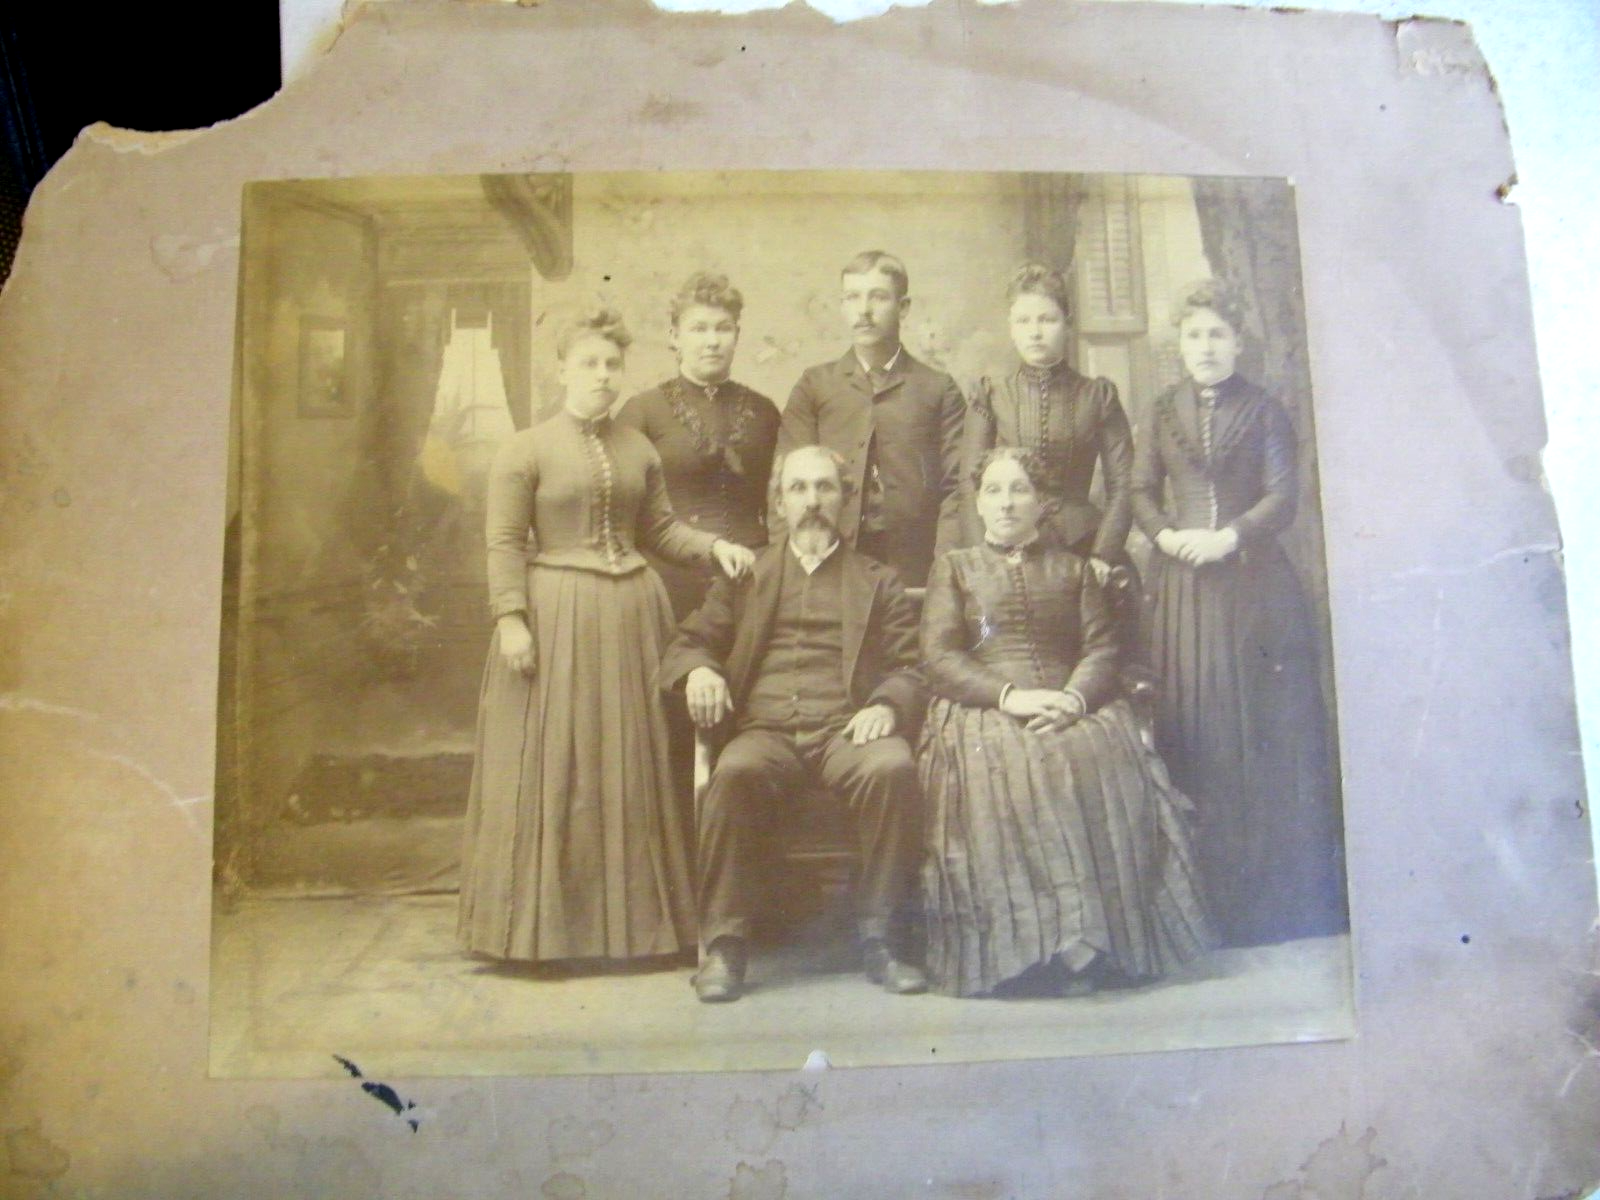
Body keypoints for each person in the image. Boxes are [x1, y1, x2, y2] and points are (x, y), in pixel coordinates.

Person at [456, 306, 755, 966]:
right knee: (559, 767)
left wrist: (717, 547)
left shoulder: (638, 448)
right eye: (587, 362)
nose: (601, 374)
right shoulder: (525, 448)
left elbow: (662, 533)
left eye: (611, 364)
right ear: (561, 369)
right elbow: (504, 541)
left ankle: (637, 931)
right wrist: (511, 619)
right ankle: (541, 936)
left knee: (628, 767)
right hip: (557, 616)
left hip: (631, 620)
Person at [919, 448, 1216, 998]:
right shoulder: (955, 568)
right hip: (986, 707)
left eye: (1019, 490)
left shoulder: (1074, 569)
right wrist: (1010, 697)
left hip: (1073, 700)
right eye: (993, 491)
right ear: (978, 503)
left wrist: (1075, 699)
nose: (1006, 503)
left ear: (1043, 502)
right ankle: (1036, 948)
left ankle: (1095, 944)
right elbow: (939, 657)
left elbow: (1101, 649)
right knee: (1011, 762)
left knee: (1099, 754)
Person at [660, 445, 928, 1002]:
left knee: (892, 768)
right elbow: (689, 644)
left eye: (825, 488)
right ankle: (727, 948)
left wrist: (886, 705)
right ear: (779, 503)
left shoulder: (878, 581)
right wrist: (699, 675)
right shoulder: (746, 575)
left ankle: (883, 940)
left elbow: (911, 667)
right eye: (799, 489)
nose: (812, 501)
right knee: (731, 774)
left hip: (845, 730)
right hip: (767, 731)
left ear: (846, 499)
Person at [1130, 280, 1346, 947]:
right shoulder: (1161, 409)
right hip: (1182, 594)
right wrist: (1168, 537)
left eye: (1217, 334)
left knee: (1257, 734)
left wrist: (1227, 538)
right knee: (1194, 726)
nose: (1205, 346)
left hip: (1253, 591)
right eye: (1194, 334)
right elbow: (1138, 489)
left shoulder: (1266, 411)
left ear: (1238, 342)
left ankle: (1270, 905)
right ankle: (1202, 909)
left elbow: (1284, 497)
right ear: (1179, 343)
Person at [770, 250, 965, 587]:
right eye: (853, 297)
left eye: (878, 297)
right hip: (829, 563)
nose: (864, 310)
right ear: (843, 306)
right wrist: (792, 563)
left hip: (914, 569)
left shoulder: (937, 388)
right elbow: (785, 480)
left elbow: (957, 487)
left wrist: (944, 566)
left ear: (903, 307)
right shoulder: (815, 385)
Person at [958, 264, 1135, 590]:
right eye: (1023, 321)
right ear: (1011, 328)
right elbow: (970, 486)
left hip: (1083, 547)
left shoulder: (1098, 396)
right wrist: (984, 559)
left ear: (1067, 325)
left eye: (1047, 319)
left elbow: (1124, 486)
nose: (1035, 332)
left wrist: (1102, 555)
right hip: (1007, 550)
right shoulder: (991, 395)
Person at [617, 272, 781, 620]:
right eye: (699, 328)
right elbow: (623, 512)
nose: (712, 341)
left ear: (737, 335)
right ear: (674, 336)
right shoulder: (642, 411)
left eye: (723, 328)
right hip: (671, 580)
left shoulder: (765, 411)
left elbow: (782, 503)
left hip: (754, 578)